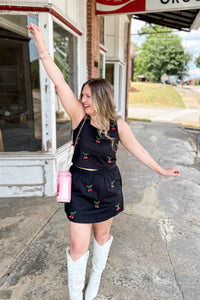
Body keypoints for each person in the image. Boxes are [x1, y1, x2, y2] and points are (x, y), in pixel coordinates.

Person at [27, 23, 180, 300]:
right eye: (82, 95)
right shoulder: (78, 116)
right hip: (79, 186)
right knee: (78, 247)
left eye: (87, 95)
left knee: (100, 238)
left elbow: (139, 151)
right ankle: (76, 295)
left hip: (107, 186)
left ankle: (95, 276)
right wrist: (41, 47)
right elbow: (58, 80)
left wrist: (161, 170)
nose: (82, 99)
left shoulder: (117, 125)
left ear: (100, 96)